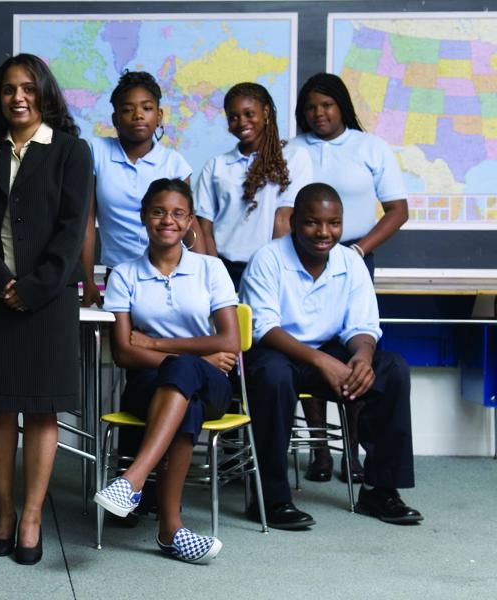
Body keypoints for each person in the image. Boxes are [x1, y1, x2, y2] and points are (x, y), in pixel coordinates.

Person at [0, 54, 92, 565]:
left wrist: (33, 288)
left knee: (40, 408)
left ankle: (32, 514)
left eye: (28, 88)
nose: (18, 97)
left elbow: (71, 231)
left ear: (44, 94)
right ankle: (5, 512)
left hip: (48, 301)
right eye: (8, 88)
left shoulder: (71, 153)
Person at [241, 183, 422, 530]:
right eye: (312, 222)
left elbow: (363, 324)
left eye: (333, 223)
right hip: (280, 350)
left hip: (333, 350)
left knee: (393, 369)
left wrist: (363, 358)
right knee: (273, 376)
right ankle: (270, 498)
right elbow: (263, 327)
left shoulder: (350, 262)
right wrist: (322, 362)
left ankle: (380, 490)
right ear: (294, 221)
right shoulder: (268, 259)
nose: (324, 232)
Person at [92, 178, 239, 564]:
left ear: (190, 220)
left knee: (187, 377)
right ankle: (170, 531)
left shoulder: (211, 268)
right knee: (184, 402)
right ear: (144, 217)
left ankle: (133, 481)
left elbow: (230, 341)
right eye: (158, 212)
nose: (167, 220)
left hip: (213, 384)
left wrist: (155, 344)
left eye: (177, 213)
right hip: (149, 387)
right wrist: (191, 358)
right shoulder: (123, 274)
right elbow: (124, 352)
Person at [290, 72, 409, 483]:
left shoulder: (370, 146)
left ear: (342, 105)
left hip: (353, 254)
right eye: (310, 107)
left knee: (354, 353)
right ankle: (321, 452)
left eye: (326, 104)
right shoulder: (293, 149)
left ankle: (353, 452)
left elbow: (397, 209)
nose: (318, 113)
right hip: (302, 255)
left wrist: (358, 250)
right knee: (309, 345)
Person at [81, 71, 195, 307]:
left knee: (169, 342)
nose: (138, 115)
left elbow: (189, 226)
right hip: (120, 274)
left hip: (171, 272)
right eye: (127, 109)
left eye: (146, 108)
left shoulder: (174, 163)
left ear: (159, 115)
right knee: (123, 343)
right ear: (115, 119)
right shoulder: (97, 152)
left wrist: (205, 273)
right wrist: (87, 278)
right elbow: (86, 221)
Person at [194, 82, 312, 287]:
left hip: (270, 268)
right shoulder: (216, 166)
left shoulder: (294, 157)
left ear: (266, 112)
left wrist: (275, 271)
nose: (241, 122)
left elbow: (284, 219)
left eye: (249, 113)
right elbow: (205, 229)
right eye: (233, 117)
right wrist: (215, 274)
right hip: (225, 269)